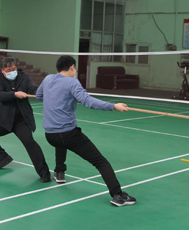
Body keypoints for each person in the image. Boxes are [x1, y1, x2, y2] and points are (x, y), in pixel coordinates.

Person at [35, 55, 136, 207]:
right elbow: (88, 101)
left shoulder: (47, 79)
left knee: (61, 142)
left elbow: (38, 96)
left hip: (50, 136)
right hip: (68, 135)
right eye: (74, 68)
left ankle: (59, 172)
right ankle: (118, 195)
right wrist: (113, 106)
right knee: (100, 162)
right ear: (72, 67)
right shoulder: (72, 82)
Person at [0, 57, 51, 182]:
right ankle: (2, 157)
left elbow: (32, 89)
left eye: (13, 69)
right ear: (3, 70)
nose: (12, 71)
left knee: (30, 143)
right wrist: (14, 94)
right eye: (8, 70)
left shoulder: (24, 77)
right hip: (5, 120)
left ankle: (44, 172)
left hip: (21, 120)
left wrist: (40, 92)